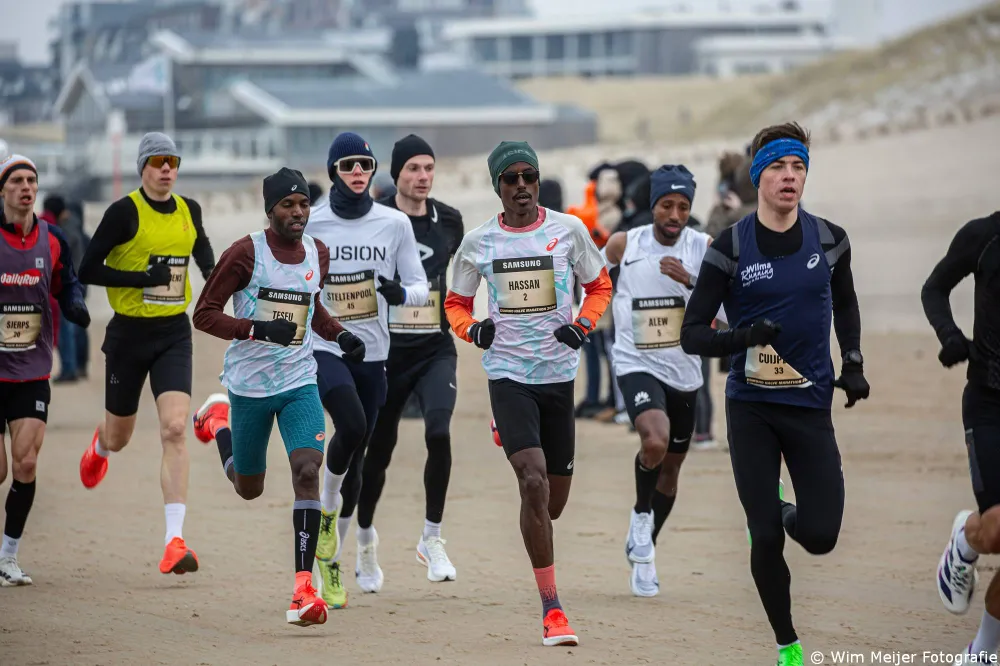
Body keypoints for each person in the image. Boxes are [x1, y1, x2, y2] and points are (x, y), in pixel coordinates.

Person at [679, 122, 869, 666]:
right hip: (752, 409)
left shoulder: (830, 239)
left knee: (820, 535)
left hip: (810, 407)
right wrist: (744, 338)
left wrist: (853, 362)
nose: (790, 177)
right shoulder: (731, 246)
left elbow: (846, 303)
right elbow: (692, 334)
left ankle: (781, 509)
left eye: (799, 167)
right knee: (764, 536)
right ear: (759, 176)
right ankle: (788, 645)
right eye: (780, 167)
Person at [444, 141, 612, 647]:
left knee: (554, 504)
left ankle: (510, 434)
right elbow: (455, 304)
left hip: (558, 377)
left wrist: (582, 326)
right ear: (497, 186)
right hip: (508, 375)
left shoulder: (569, 231)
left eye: (529, 176)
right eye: (510, 178)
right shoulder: (479, 242)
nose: (521, 185)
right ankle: (552, 609)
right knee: (533, 482)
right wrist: (474, 330)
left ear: (538, 181)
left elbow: (600, 286)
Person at [190, 167, 365, 626]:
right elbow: (204, 314)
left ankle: (303, 589)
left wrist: (340, 334)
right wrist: (257, 329)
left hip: (299, 381)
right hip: (249, 386)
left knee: (307, 471)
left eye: (304, 204)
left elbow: (313, 307)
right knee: (249, 488)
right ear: (270, 210)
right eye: (288, 205)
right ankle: (218, 421)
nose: (298, 212)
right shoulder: (245, 253)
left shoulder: (318, 253)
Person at [77, 132, 216, 575]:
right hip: (128, 335)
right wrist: (141, 279)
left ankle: (174, 540)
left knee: (174, 428)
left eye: (172, 161)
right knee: (121, 436)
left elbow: (202, 250)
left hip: (173, 332)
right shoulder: (124, 213)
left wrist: (217, 280)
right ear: (143, 168)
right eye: (158, 161)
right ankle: (101, 444)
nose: (167, 168)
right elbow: (87, 268)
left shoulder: (189, 210)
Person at [306, 132, 429, 609]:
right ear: (333, 171)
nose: (357, 172)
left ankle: (331, 557)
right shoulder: (313, 221)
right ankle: (325, 512)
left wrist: (401, 294)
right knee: (352, 425)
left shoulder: (394, 223)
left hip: (374, 353)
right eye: (348, 165)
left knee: (356, 460)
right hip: (327, 346)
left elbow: (419, 285)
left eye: (365, 164)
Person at [354, 134, 464, 585]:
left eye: (428, 168)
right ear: (396, 173)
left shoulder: (450, 221)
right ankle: (364, 541)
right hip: (387, 353)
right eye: (413, 169)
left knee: (439, 432)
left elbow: (462, 276)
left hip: (435, 348)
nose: (422, 177)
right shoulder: (375, 219)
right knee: (378, 452)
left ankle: (431, 538)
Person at [601, 164, 713, 598]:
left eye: (683, 206)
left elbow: (728, 311)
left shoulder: (703, 247)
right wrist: (578, 317)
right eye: (667, 205)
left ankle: (646, 545)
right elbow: (590, 279)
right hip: (636, 362)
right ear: (653, 205)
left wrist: (690, 280)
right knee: (654, 441)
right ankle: (641, 520)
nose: (675, 215)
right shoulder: (625, 243)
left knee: (671, 470)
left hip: (684, 371)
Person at [0, 155, 90, 586]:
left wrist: (75, 303)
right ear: (2, 190)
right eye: (17, 180)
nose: (26, 187)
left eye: (31, 180)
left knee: (27, 463)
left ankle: (8, 556)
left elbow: (66, 281)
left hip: (32, 368)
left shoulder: (52, 239)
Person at [922, 210, 1000, 659]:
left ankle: (982, 652)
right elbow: (934, 287)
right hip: (990, 403)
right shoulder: (985, 235)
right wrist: (950, 335)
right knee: (998, 531)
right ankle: (966, 541)